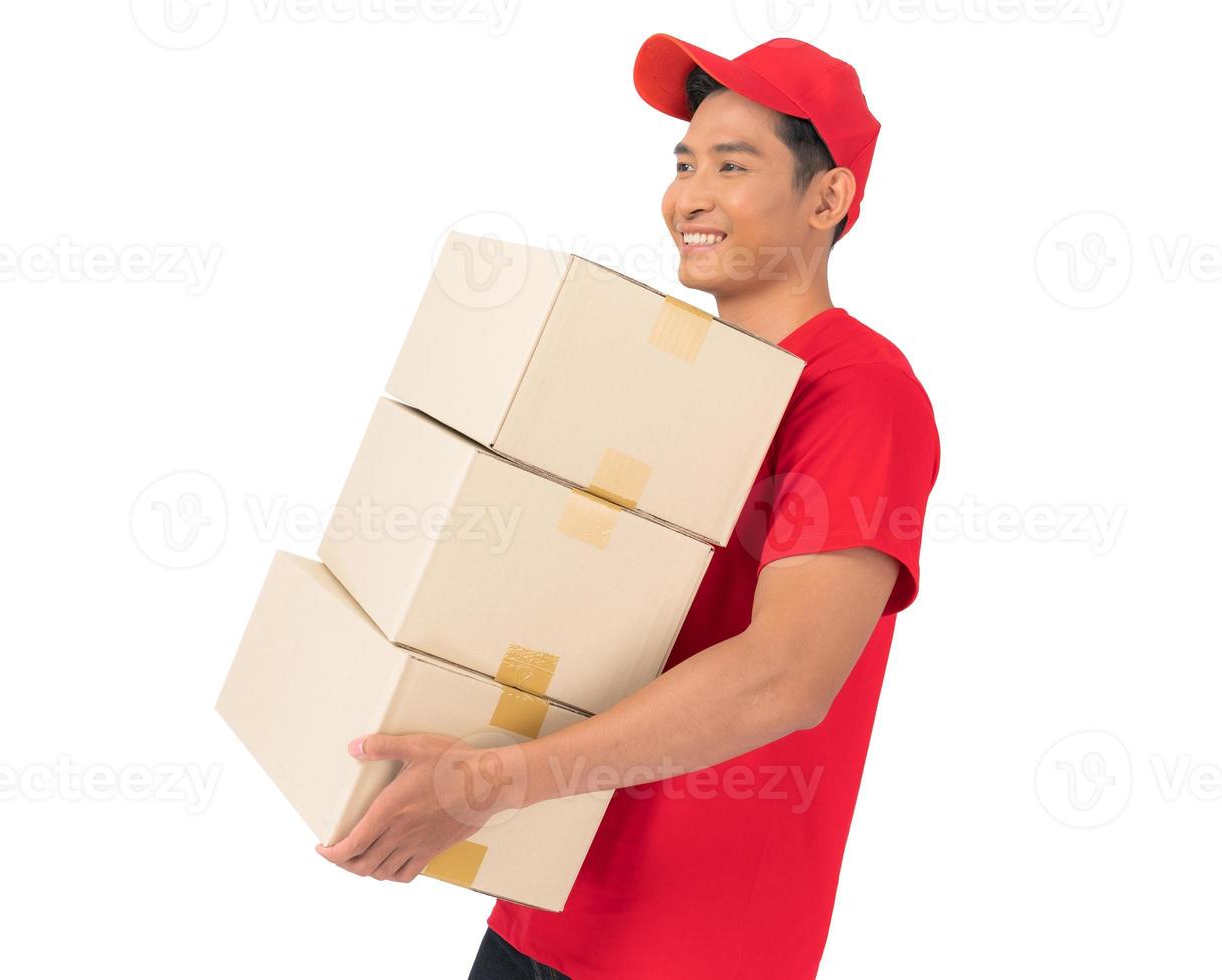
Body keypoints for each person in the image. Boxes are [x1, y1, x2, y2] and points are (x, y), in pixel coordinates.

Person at [313, 34, 941, 980]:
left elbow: (788, 676)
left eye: (733, 165)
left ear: (829, 197)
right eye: (684, 163)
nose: (690, 194)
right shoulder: (669, 386)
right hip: (541, 907)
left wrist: (488, 781)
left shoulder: (859, 389)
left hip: (693, 947)